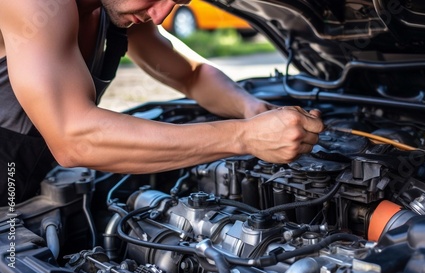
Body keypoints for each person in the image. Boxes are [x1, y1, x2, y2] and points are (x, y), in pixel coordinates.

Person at [0, 0, 324, 205]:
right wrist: (244, 136)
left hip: (23, 184)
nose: (160, 14)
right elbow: (73, 138)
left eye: (178, 2)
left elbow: (191, 75)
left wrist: (249, 107)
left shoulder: (118, 9)